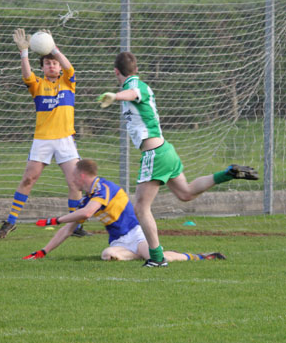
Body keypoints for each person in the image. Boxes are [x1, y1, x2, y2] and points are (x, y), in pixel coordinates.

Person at [96, 52, 258, 267]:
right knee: (186, 193)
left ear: (116, 71)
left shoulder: (136, 85)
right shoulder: (134, 84)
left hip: (155, 153)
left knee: (141, 208)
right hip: (165, 151)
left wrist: (116, 96)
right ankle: (227, 173)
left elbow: (134, 93)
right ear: (136, 68)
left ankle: (156, 259)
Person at [23, 159, 226, 263]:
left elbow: (85, 214)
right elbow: (68, 229)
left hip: (136, 235)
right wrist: (43, 251)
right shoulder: (87, 197)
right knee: (108, 254)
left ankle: (199, 256)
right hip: (119, 242)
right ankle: (139, 254)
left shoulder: (104, 188)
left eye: (73, 176)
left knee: (157, 258)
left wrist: (53, 220)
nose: (71, 180)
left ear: (82, 176)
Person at [0, 29, 90, 239]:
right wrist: (24, 53)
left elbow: (69, 67)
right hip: (43, 140)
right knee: (29, 179)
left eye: (54, 62)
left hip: (65, 139)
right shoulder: (38, 85)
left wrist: (53, 48)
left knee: (75, 182)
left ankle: (75, 226)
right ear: (43, 68)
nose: (52, 65)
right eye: (47, 63)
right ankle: (11, 221)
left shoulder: (67, 81)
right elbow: (27, 75)